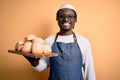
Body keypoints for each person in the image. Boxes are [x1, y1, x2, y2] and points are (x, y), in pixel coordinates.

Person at [25, 4, 96, 80]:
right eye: (62, 16)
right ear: (57, 18)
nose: (66, 19)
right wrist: (34, 62)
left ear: (75, 20)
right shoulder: (49, 41)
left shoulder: (84, 42)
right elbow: (42, 66)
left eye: (70, 16)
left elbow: (89, 70)